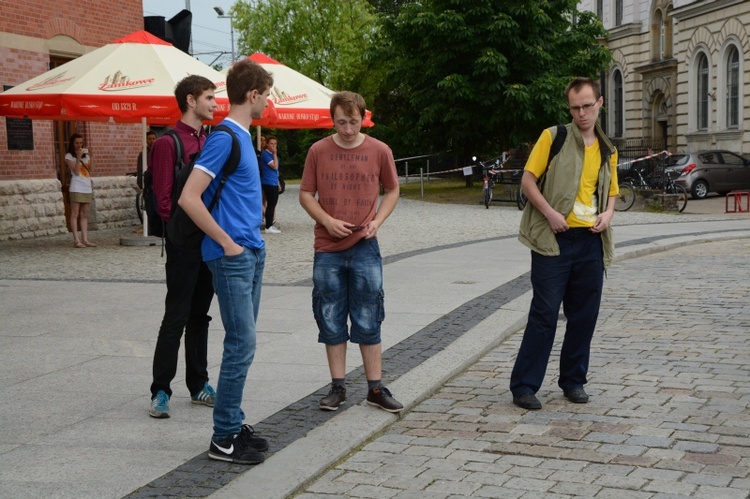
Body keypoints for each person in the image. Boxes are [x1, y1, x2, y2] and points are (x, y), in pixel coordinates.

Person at [179, 59, 274, 465]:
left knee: (244, 345)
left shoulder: (243, 139)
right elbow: (189, 198)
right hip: (232, 256)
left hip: (250, 252)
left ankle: (233, 423)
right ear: (252, 95)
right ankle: (223, 438)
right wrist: (228, 244)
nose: (268, 104)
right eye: (266, 96)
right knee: (241, 344)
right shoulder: (225, 139)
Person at [510, 77, 619, 411]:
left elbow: (612, 192)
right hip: (552, 240)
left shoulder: (607, 149)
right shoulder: (553, 137)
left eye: (587, 106)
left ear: (600, 103)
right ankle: (524, 386)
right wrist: (551, 214)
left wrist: (608, 215)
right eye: (575, 107)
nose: (582, 113)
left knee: (584, 315)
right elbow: (528, 181)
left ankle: (573, 380)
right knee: (544, 314)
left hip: (590, 241)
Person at [299, 91, 403, 414]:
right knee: (330, 316)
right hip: (327, 247)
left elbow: (393, 189)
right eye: (341, 122)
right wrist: (326, 221)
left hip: (364, 245)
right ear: (332, 119)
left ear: (364, 118)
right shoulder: (318, 151)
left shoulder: (379, 150)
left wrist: (378, 221)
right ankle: (338, 386)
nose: (347, 129)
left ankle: (375, 387)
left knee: (369, 314)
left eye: (353, 122)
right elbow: (305, 194)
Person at [148, 75, 218, 419]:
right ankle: (160, 390)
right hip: (183, 244)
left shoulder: (210, 140)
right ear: (191, 100)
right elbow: (162, 200)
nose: (215, 104)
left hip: (210, 243)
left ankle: (199, 384)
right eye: (209, 97)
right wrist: (182, 233)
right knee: (176, 315)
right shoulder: (167, 143)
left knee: (200, 316)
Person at [65, 133, 96, 248]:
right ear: (72, 144)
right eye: (76, 143)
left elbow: (91, 169)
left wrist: (91, 156)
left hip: (86, 186)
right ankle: (76, 240)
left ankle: (85, 239)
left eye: (81, 142)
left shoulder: (85, 155)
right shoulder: (69, 156)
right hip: (76, 186)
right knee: (75, 214)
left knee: (84, 214)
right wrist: (77, 158)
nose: (79, 145)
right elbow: (77, 172)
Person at [260, 135, 281, 233]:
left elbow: (275, 172)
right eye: (271, 144)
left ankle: (270, 224)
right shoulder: (266, 155)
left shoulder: (270, 155)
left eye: (275, 144)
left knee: (273, 203)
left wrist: (278, 182)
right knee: (271, 204)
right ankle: (268, 226)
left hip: (273, 181)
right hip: (268, 182)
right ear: (267, 144)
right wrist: (275, 154)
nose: (274, 146)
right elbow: (274, 166)